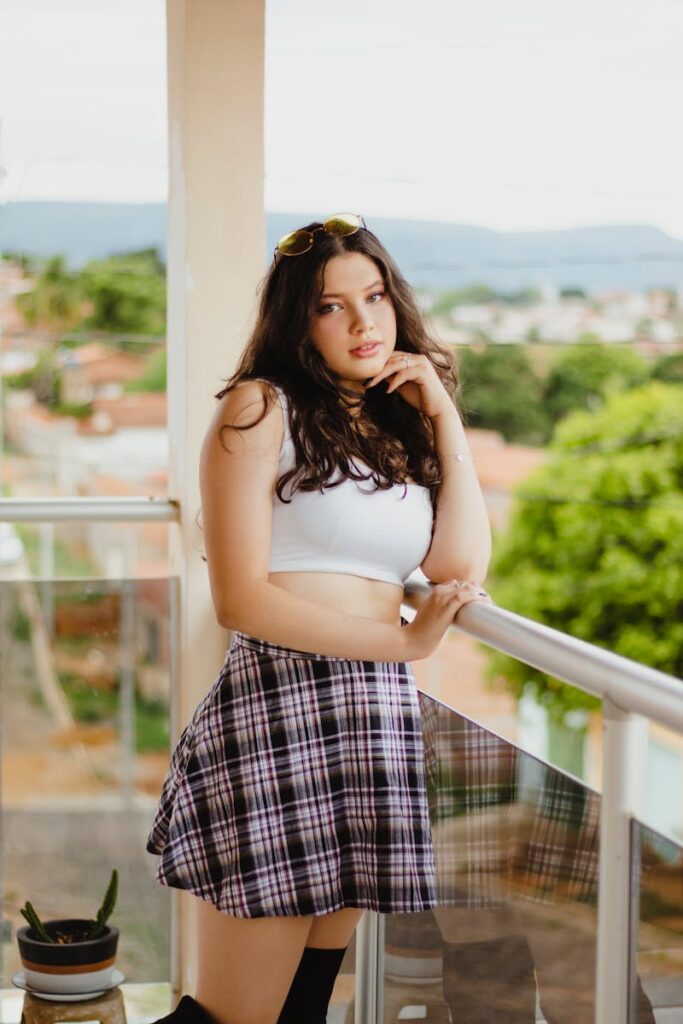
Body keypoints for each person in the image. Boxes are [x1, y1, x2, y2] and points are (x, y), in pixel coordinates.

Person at [146, 213, 493, 1024]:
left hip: (367, 726)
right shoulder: (258, 407)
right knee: (234, 1015)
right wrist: (401, 642)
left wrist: (443, 416)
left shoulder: (392, 428)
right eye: (331, 305)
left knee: (301, 1006)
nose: (364, 320)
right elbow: (240, 598)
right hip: (277, 714)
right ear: (296, 321)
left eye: (374, 295)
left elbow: (456, 568)